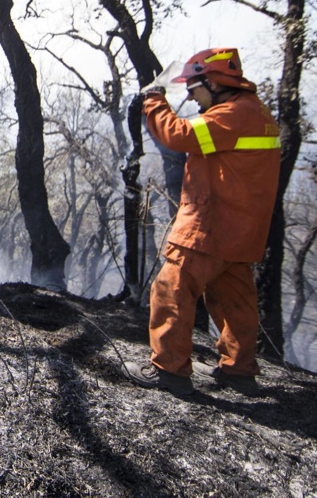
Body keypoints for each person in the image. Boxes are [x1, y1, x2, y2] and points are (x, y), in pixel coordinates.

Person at [125, 48, 281, 396]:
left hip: (211, 225)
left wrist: (154, 100)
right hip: (242, 231)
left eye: (194, 89)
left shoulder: (232, 114)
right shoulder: (258, 113)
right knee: (234, 302)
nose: (193, 98)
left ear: (213, 82)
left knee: (171, 289)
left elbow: (178, 135)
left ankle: (169, 369)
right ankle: (238, 371)